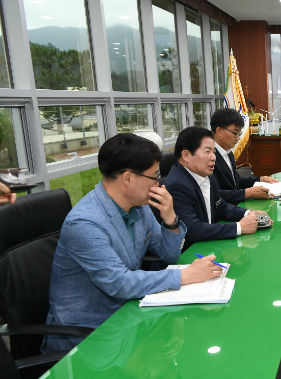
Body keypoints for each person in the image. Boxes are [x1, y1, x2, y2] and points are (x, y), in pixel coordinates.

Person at [42, 134, 224, 353]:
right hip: (89, 337)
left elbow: (169, 254)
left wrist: (170, 218)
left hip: (129, 317)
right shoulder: (85, 223)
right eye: (155, 176)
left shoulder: (139, 207)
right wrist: (186, 275)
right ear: (128, 178)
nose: (159, 183)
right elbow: (118, 282)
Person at [163, 126, 259, 252]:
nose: (213, 157)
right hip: (189, 254)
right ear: (186, 155)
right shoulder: (177, 185)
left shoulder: (207, 176)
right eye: (207, 152)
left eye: (214, 152)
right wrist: (239, 227)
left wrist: (248, 213)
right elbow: (192, 230)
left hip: (208, 247)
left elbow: (220, 206)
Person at [210, 108, 279, 204]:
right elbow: (215, 194)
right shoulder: (209, 156)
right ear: (219, 130)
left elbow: (235, 181)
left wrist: (260, 179)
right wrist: (248, 193)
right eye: (235, 133)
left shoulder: (228, 152)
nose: (238, 138)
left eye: (239, 134)